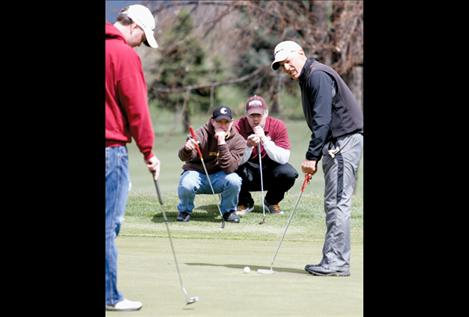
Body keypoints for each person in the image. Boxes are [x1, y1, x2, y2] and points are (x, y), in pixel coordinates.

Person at [271, 40, 363, 277]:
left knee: (337, 204)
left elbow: (322, 120)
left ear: (300, 53)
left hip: (343, 142)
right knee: (333, 203)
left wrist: (311, 156)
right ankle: (333, 260)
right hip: (337, 144)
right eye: (281, 65)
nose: (286, 68)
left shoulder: (317, 75)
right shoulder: (308, 76)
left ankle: (337, 263)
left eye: (288, 61)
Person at [105, 4, 160, 311]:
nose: (141, 44)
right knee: (107, 226)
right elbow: (137, 110)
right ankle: (109, 296)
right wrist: (149, 152)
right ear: (136, 27)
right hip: (109, 151)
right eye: (143, 38)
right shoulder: (124, 55)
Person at [177, 105, 246, 223]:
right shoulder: (201, 134)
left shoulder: (238, 141)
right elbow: (183, 157)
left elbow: (230, 167)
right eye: (219, 122)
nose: (223, 126)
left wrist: (222, 142)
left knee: (235, 180)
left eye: (226, 122)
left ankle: (228, 211)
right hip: (197, 174)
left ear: (232, 122)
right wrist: (187, 149)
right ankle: (184, 211)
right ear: (213, 121)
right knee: (186, 183)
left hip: (220, 177)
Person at [234, 95, 298, 216]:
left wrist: (264, 140)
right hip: (246, 170)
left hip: (270, 169)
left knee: (289, 173)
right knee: (229, 169)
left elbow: (284, 158)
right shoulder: (237, 127)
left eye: (259, 115)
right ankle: (244, 202)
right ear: (246, 115)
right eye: (252, 115)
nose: (255, 119)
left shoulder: (278, 126)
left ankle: (271, 201)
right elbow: (235, 161)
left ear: (266, 113)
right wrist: (247, 146)